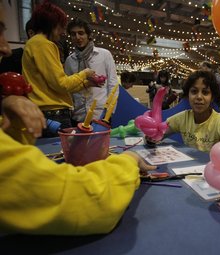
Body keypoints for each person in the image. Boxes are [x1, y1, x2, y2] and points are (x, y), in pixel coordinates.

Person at [0, 0, 156, 235]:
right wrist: (129, 160)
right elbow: (82, 195)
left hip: (95, 114)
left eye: (80, 32)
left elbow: (111, 85)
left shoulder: (102, 54)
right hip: (72, 115)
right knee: (76, 160)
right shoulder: (62, 54)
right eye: (70, 32)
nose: (6, 49)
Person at [22, 2, 100, 138]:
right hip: (54, 115)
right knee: (63, 156)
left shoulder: (34, 44)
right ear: (51, 25)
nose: (62, 32)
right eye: (60, 27)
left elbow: (55, 86)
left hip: (47, 113)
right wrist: (85, 73)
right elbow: (62, 84)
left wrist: (86, 84)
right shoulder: (43, 44)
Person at [150, 70, 220, 152]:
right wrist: (150, 137)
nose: (199, 97)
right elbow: (157, 134)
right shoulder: (183, 118)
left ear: (212, 97)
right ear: (188, 95)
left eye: (205, 92)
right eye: (194, 91)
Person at [65, 18, 119, 125]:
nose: (77, 37)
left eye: (81, 33)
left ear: (89, 35)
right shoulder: (70, 60)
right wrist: (70, 111)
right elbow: (68, 89)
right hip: (78, 115)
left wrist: (110, 112)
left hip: (101, 115)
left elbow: (113, 84)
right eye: (73, 34)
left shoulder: (104, 55)